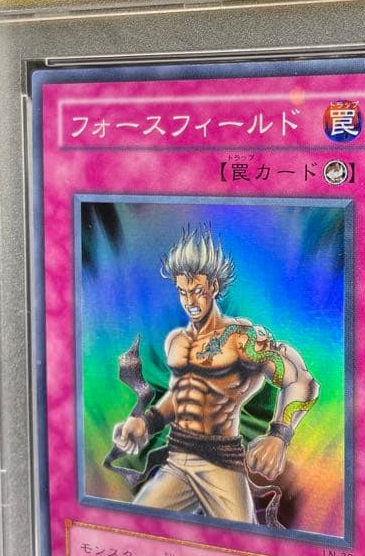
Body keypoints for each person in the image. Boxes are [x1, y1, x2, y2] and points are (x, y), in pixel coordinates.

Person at [113, 224, 318, 523]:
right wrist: (147, 422)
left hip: (221, 463)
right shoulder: (177, 342)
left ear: (214, 287)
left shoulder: (241, 340)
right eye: (183, 292)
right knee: (138, 528)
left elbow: (301, 381)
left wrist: (279, 435)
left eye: (197, 292)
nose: (190, 302)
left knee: (242, 545)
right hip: (177, 459)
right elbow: (180, 394)